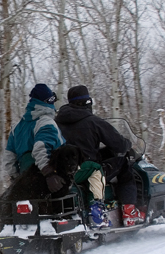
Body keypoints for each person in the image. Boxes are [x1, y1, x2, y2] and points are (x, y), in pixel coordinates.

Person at [55, 85, 145, 227]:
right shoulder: (92, 121)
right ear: (88, 102)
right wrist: (128, 144)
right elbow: (118, 144)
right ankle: (129, 212)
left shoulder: (56, 122)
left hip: (65, 171)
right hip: (89, 169)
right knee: (123, 164)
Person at [3, 84, 66, 194]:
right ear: (48, 101)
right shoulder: (46, 123)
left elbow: (9, 158)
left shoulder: (17, 127)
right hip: (48, 180)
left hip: (25, 182)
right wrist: (49, 174)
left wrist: (17, 179)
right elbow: (41, 149)